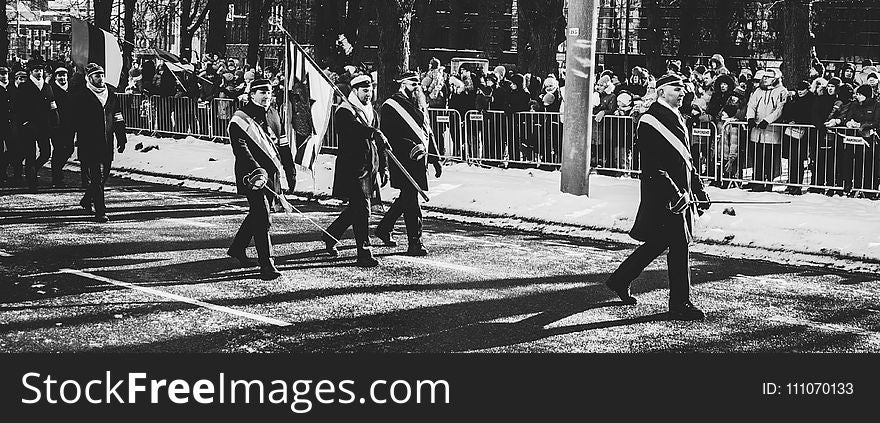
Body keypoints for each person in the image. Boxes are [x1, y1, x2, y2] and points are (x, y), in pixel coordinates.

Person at [604, 73, 710, 321]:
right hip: (663, 195)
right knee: (679, 246)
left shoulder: (677, 117)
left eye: (683, 88)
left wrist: (699, 191)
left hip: (679, 195)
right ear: (661, 92)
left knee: (658, 243)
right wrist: (676, 194)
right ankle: (680, 303)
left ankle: (620, 280)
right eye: (676, 88)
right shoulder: (649, 120)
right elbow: (653, 166)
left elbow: (686, 160)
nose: (682, 92)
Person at [321, 74, 389, 267]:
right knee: (362, 209)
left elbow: (379, 143)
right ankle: (364, 252)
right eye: (365, 90)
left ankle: (330, 235)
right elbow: (350, 130)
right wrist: (371, 132)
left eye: (370, 90)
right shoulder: (345, 111)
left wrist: (383, 167)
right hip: (353, 169)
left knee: (355, 210)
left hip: (370, 167)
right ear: (355, 91)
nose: (369, 94)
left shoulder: (371, 111)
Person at [375, 71, 442, 256]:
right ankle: (415, 242)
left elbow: (427, 131)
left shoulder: (419, 103)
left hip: (420, 159)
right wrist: (411, 147)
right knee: (412, 201)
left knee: (407, 198)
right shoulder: (391, 105)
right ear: (403, 85)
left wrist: (435, 159)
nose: (417, 88)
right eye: (413, 85)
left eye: (418, 85)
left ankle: (384, 228)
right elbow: (390, 135)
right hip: (403, 160)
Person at [226, 79, 286, 280]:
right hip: (251, 175)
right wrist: (256, 169)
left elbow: (282, 142)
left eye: (269, 92)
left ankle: (237, 248)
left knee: (258, 214)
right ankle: (267, 265)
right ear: (252, 94)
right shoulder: (240, 118)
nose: (266, 95)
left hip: (272, 173)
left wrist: (290, 170)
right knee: (262, 216)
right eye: (261, 92)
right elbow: (240, 148)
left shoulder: (274, 113)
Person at [70, 63, 127, 223]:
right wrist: (71, 138)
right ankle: (100, 211)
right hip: (89, 142)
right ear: (89, 78)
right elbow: (73, 120)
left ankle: (87, 199)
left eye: (102, 75)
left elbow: (117, 116)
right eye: (97, 76)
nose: (101, 79)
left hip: (107, 142)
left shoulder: (111, 93)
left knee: (105, 174)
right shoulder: (81, 95)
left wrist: (121, 137)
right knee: (96, 177)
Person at [15, 59, 59, 191]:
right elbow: (18, 107)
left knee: (46, 153)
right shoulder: (25, 86)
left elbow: (52, 105)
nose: (39, 73)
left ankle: (32, 170)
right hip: (29, 126)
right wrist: (24, 122)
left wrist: (55, 121)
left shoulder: (47, 87)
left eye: (40, 70)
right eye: (36, 71)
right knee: (30, 154)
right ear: (31, 72)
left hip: (44, 126)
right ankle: (32, 182)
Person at [745, 68, 787, 191]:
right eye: (765, 76)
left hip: (771, 131)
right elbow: (751, 105)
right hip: (757, 131)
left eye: (769, 77)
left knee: (769, 157)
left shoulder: (781, 91)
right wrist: (750, 118)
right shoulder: (758, 91)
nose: (765, 79)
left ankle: (768, 182)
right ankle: (757, 181)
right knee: (757, 156)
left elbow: (779, 109)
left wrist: (767, 120)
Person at [50, 67, 75, 188]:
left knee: (69, 149)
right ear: (55, 77)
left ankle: (57, 170)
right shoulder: (51, 89)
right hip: (56, 126)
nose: (62, 78)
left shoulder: (71, 89)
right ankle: (57, 177)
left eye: (64, 75)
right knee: (58, 149)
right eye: (59, 75)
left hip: (70, 125)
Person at [0, 66, 10, 187]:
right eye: (2, 74)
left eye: (5, 74)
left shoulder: (11, 88)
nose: (4, 76)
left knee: (11, 149)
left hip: (11, 124)